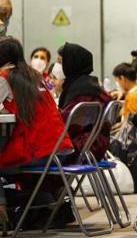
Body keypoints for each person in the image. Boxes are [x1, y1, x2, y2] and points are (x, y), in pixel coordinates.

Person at [0, 37, 73, 231]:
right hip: (58, 151)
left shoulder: (5, 79)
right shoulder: (36, 76)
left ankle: (3, 218)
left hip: (38, 155)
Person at [57, 43, 112, 162]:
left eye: (60, 62)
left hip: (84, 147)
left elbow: (68, 124)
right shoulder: (90, 85)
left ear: (71, 64)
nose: (57, 66)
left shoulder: (82, 91)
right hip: (94, 145)